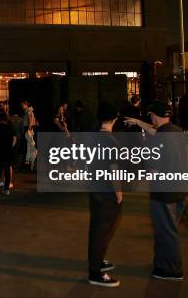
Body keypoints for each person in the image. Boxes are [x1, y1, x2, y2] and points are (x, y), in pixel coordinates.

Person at [126, 100, 188, 281]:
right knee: (168, 230)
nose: (150, 118)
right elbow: (156, 131)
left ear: (154, 115)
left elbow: (153, 170)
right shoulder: (175, 131)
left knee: (166, 232)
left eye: (151, 115)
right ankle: (163, 264)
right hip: (180, 189)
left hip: (163, 193)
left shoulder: (155, 141)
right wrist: (138, 123)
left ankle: (172, 270)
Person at [86, 101, 122, 288]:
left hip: (94, 189)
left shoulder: (92, 137)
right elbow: (114, 168)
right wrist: (119, 192)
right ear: (114, 119)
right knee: (103, 229)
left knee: (97, 228)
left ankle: (97, 261)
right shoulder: (110, 140)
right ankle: (95, 272)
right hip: (107, 192)